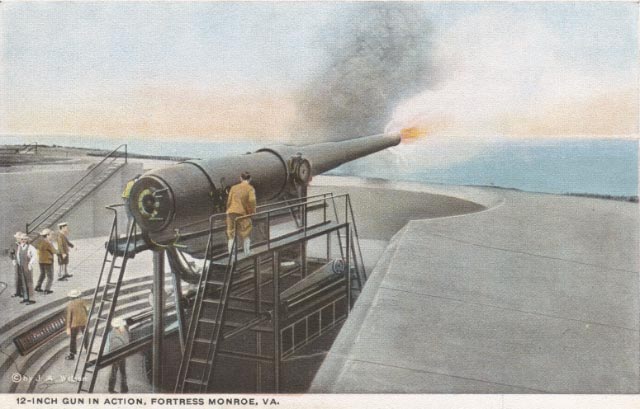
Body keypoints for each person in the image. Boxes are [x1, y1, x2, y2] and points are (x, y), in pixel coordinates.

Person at [226, 172, 256, 256]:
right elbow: (252, 201)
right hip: (242, 213)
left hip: (231, 213)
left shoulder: (233, 187)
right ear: (250, 179)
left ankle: (231, 255)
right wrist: (252, 212)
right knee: (246, 232)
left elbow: (228, 201)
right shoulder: (250, 188)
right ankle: (247, 252)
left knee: (231, 234)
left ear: (240, 178)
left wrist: (228, 210)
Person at [105, 317, 129, 393]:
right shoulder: (115, 333)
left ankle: (123, 387)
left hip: (120, 353)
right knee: (116, 371)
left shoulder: (119, 332)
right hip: (117, 354)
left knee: (121, 371)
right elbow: (124, 342)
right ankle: (112, 388)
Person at [65, 289, 88, 360]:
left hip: (74, 323)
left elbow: (69, 317)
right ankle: (87, 348)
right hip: (84, 321)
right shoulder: (82, 301)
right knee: (86, 335)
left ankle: (72, 354)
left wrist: (68, 327)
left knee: (73, 338)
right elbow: (87, 309)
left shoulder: (69, 304)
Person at [15, 234, 37, 305]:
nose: (23, 241)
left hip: (27, 266)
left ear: (27, 240)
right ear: (20, 240)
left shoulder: (30, 247)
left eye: (24, 239)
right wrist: (18, 263)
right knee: (23, 282)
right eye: (22, 239)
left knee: (29, 282)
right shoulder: (19, 247)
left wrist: (30, 263)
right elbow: (18, 256)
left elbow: (34, 256)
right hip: (21, 266)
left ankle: (31, 299)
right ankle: (25, 298)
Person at [35, 229, 56, 294]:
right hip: (48, 262)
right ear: (47, 235)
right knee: (50, 276)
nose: (52, 236)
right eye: (51, 235)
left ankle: (38, 287)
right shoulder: (48, 243)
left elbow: (37, 248)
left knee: (42, 274)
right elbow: (54, 251)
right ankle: (47, 290)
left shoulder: (40, 242)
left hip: (41, 261)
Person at [9, 232, 23, 298]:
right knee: (17, 277)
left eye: (19, 238)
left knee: (23, 277)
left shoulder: (24, 244)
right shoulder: (14, 245)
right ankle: (17, 292)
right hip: (17, 263)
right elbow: (10, 253)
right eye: (17, 238)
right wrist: (13, 260)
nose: (18, 239)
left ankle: (23, 292)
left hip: (24, 263)